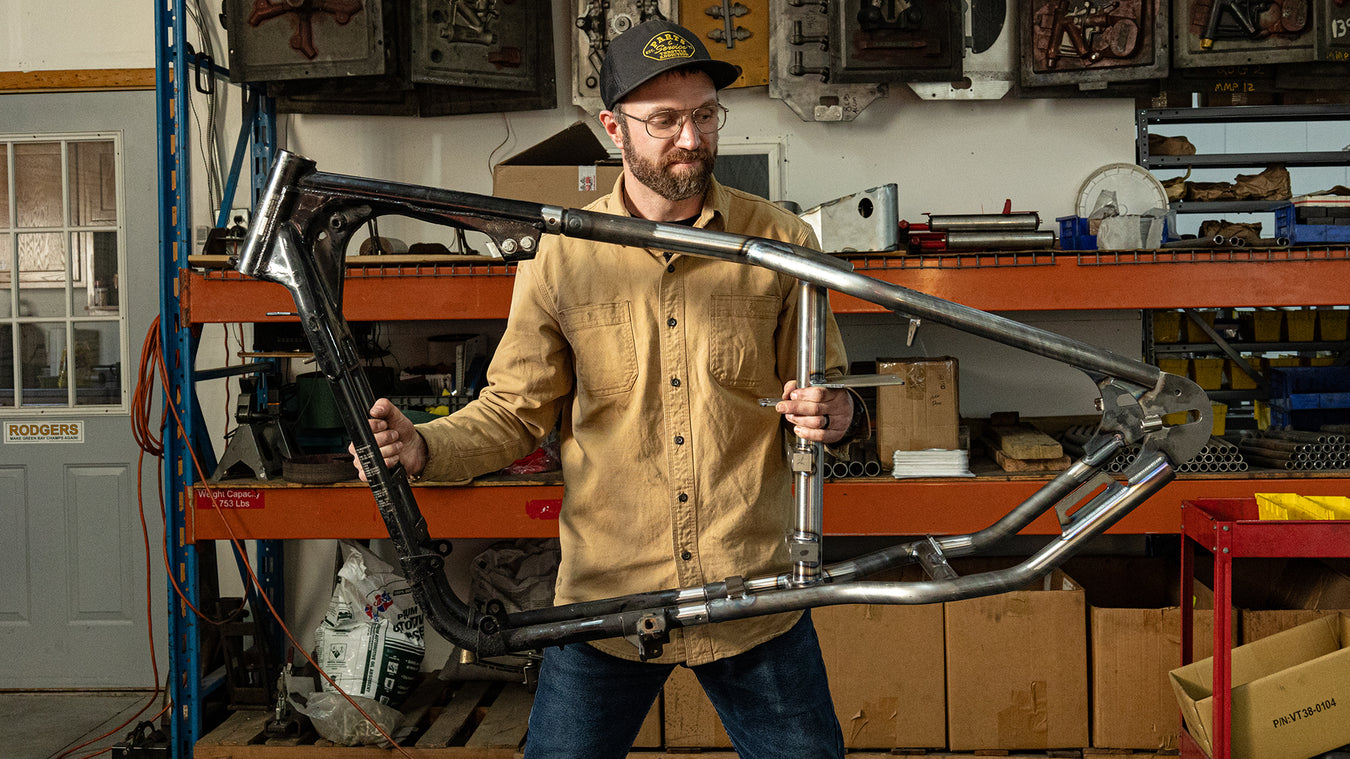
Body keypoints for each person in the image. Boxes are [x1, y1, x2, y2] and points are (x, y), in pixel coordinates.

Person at [354, 18, 863, 758]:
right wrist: (422, 446)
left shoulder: (780, 243)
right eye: (664, 121)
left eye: (705, 115)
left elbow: (826, 393)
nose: (691, 139)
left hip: (752, 592)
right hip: (608, 599)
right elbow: (514, 411)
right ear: (613, 128)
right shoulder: (562, 253)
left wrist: (837, 413)